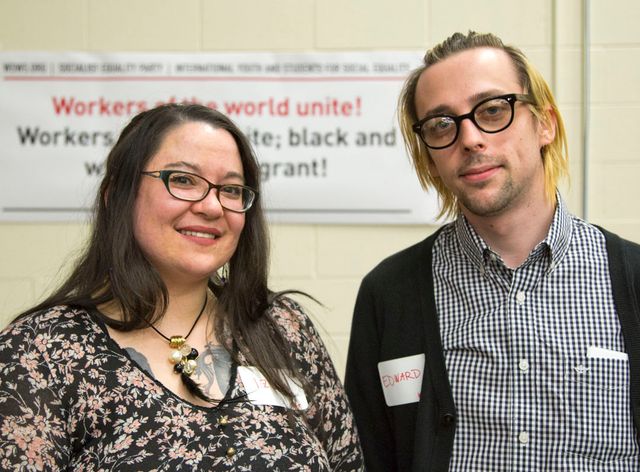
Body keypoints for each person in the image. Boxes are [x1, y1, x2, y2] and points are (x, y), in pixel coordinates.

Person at [0, 103, 364, 471]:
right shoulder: (39, 353)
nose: (212, 207)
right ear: (117, 195)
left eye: (231, 189)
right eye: (184, 180)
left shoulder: (281, 327)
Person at [345, 31, 640, 471]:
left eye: (493, 110)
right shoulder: (389, 293)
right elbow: (369, 454)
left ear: (545, 124)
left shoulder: (632, 280)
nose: (470, 139)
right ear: (429, 158)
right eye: (442, 124)